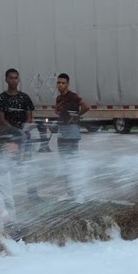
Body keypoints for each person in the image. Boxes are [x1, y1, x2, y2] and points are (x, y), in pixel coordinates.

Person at [0, 68, 36, 200]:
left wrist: (24, 129)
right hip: (9, 139)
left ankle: (33, 194)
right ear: (6, 80)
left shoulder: (25, 98)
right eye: (11, 78)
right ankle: (7, 195)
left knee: (28, 166)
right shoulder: (1, 98)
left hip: (24, 137)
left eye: (16, 78)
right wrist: (14, 131)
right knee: (7, 167)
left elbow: (29, 117)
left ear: (19, 79)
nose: (13, 80)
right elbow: (1, 119)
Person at [54, 73, 90, 201]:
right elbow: (58, 111)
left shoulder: (72, 96)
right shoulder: (59, 98)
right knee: (65, 164)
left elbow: (86, 106)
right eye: (58, 83)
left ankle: (80, 193)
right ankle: (69, 193)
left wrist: (76, 116)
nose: (60, 85)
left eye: (63, 83)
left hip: (71, 133)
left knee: (72, 163)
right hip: (62, 132)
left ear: (67, 84)